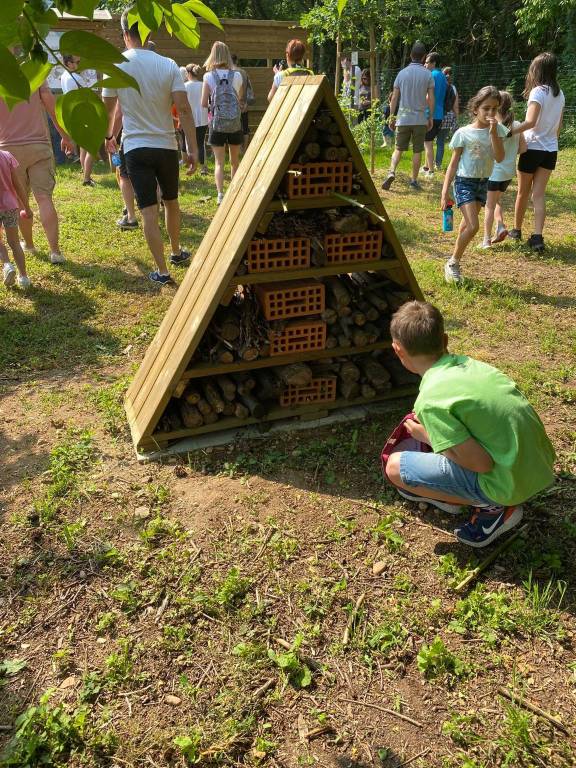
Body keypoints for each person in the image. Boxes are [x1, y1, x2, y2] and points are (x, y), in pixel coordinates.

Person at [385, 301, 555, 548]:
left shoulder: (431, 400)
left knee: (396, 467)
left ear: (398, 350)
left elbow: (480, 463)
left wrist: (429, 436)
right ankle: (467, 494)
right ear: (444, 339)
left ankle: (493, 509)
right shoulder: (474, 367)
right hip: (538, 466)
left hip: (508, 484)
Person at [103, 11, 198, 285]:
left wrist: (109, 136)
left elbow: (109, 110)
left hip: (135, 147)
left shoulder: (116, 64)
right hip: (167, 146)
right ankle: (177, 251)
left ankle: (162, 271)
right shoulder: (169, 64)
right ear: (149, 33)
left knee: (148, 210)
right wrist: (192, 149)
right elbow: (184, 109)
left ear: (124, 35)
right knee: (171, 202)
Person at [0, 82, 73, 265]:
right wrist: (64, 135)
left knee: (19, 201)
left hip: (8, 149)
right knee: (44, 198)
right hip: (38, 146)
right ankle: (55, 252)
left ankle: (30, 245)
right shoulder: (35, 68)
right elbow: (51, 105)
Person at [440, 86, 507, 284]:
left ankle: (454, 258)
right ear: (475, 108)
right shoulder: (463, 133)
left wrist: (494, 133)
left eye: (495, 109)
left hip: (483, 183)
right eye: (486, 108)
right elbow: (453, 165)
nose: (490, 113)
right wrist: (444, 192)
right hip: (464, 182)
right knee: (473, 226)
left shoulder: (499, 130)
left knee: (465, 227)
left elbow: (500, 157)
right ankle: (453, 263)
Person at [509, 52, 565, 252]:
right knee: (538, 194)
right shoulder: (560, 94)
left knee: (523, 192)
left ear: (537, 70)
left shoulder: (538, 92)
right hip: (551, 150)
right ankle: (538, 237)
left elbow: (530, 122)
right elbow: (558, 128)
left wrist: (508, 131)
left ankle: (516, 230)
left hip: (532, 148)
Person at [381, 41, 434, 191]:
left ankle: (391, 171)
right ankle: (414, 181)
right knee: (417, 151)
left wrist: (391, 116)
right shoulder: (428, 74)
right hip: (419, 119)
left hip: (403, 118)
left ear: (411, 55)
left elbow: (394, 98)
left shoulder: (402, 73)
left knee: (398, 148)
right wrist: (429, 117)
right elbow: (430, 98)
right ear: (424, 57)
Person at [481, 91, 526, 248]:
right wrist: (511, 152)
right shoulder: (518, 124)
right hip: (508, 173)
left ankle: (486, 240)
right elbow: (523, 148)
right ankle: (500, 225)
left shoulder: (494, 127)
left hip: (495, 172)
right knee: (495, 200)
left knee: (489, 204)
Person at [201, 41, 244, 206]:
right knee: (235, 161)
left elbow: (204, 103)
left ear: (213, 55)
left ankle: (220, 194)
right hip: (234, 123)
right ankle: (235, 193)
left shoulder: (208, 76)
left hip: (217, 124)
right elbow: (239, 100)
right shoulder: (238, 75)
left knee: (219, 162)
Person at [60, 55, 97, 187]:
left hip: (74, 114)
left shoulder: (64, 76)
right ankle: (86, 179)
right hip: (82, 113)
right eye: (77, 62)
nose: (79, 64)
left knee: (84, 146)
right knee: (92, 147)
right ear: (69, 63)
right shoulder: (75, 78)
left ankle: (86, 175)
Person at [1, 150, 33, 289]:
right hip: (10, 206)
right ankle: (24, 278)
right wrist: (27, 207)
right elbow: (18, 185)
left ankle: (7, 264)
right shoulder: (6, 156)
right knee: (14, 242)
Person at [420, 52, 447, 177]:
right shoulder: (442, 75)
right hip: (439, 114)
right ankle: (426, 167)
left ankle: (431, 171)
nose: (425, 65)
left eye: (427, 62)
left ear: (434, 63)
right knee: (428, 140)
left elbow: (428, 96)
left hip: (430, 113)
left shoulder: (431, 75)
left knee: (427, 142)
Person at [185, 64, 209, 175]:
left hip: (189, 118)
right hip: (203, 118)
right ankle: (203, 167)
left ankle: (192, 166)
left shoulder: (185, 86)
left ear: (189, 73)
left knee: (189, 142)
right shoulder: (203, 84)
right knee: (200, 143)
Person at [435, 66, 459, 169]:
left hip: (437, 115)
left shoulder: (438, 86)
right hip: (449, 116)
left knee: (429, 141)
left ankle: (428, 166)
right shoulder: (453, 87)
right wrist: (455, 117)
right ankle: (438, 165)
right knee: (441, 142)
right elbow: (455, 105)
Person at [232, 53, 253, 152]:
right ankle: (244, 149)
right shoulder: (244, 72)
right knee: (245, 127)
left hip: (232, 105)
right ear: (236, 61)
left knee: (234, 127)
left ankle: (238, 149)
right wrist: (247, 104)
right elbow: (249, 89)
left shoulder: (228, 73)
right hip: (243, 104)